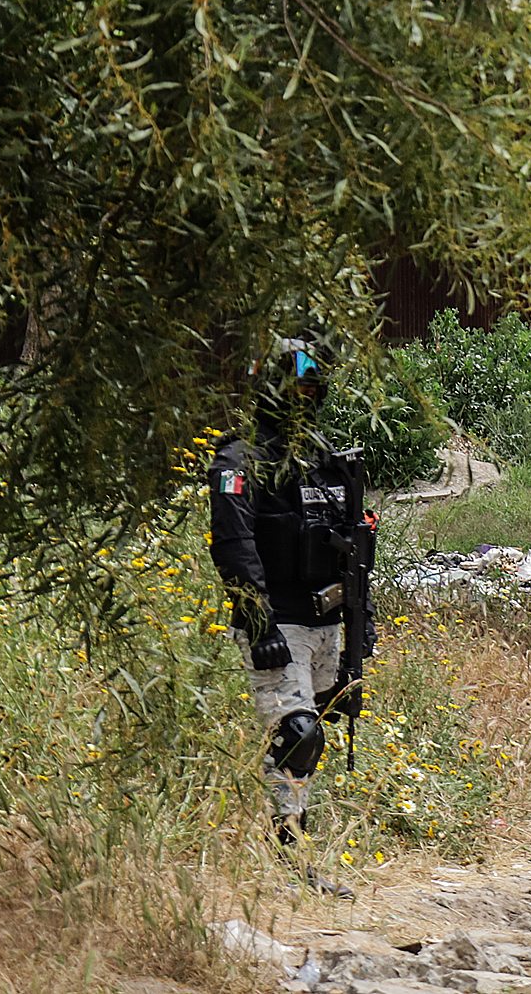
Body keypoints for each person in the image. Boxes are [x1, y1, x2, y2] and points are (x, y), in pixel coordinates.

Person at [208, 337, 366, 899]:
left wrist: (360, 627)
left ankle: (294, 840)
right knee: (296, 735)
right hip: (281, 628)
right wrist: (259, 622)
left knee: (313, 740)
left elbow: (354, 547)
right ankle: (292, 865)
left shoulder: (329, 461)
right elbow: (233, 543)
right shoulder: (238, 460)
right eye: (295, 386)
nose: (305, 396)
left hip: (328, 625)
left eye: (312, 386)